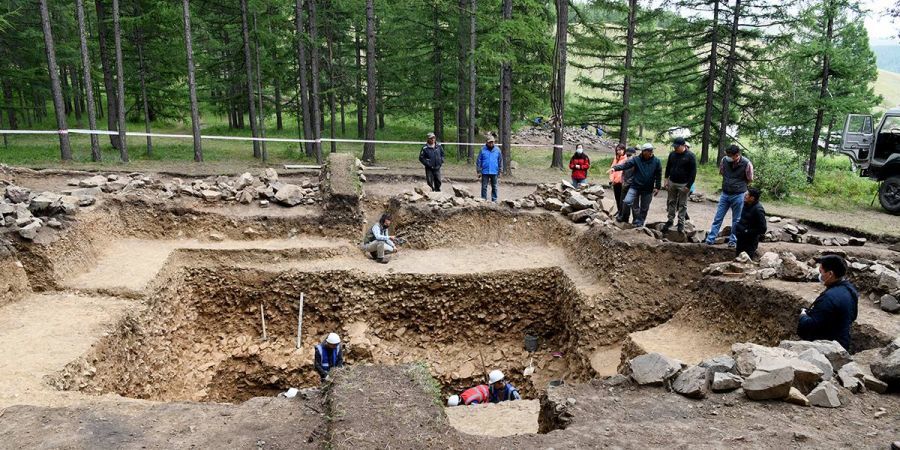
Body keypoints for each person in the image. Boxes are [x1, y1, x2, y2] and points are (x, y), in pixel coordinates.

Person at [798, 255, 859, 351]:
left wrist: (803, 316)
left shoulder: (828, 298)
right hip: (842, 344)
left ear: (830, 274)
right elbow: (853, 316)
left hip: (827, 349)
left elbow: (810, 326)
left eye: (821, 272)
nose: (819, 275)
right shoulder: (851, 290)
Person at [704, 145, 754, 247]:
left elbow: (750, 178)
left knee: (737, 219)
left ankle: (733, 241)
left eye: (730, 156)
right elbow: (722, 172)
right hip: (725, 193)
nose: (728, 157)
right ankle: (710, 239)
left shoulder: (746, 163)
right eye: (727, 155)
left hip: (739, 195)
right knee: (718, 217)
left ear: (737, 155)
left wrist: (740, 186)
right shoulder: (724, 160)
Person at [608, 143, 661, 227]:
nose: (651, 152)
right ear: (643, 152)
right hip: (635, 186)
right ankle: (625, 217)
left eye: (651, 150)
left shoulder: (656, 161)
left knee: (644, 207)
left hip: (648, 188)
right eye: (648, 151)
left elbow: (658, 174)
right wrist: (615, 168)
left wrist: (657, 187)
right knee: (627, 201)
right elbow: (626, 165)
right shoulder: (636, 159)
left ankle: (639, 222)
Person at [662, 137, 697, 233]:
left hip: (684, 184)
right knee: (671, 201)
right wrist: (666, 179)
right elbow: (668, 167)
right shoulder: (672, 154)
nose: (675, 148)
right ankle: (670, 220)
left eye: (677, 147)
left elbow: (693, 173)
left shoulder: (690, 156)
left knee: (682, 204)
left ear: (683, 146)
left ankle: (681, 222)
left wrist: (688, 186)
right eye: (674, 147)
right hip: (672, 182)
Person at [733, 188, 767, 258]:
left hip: (750, 242)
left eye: (747, 195)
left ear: (752, 198)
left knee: (746, 261)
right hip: (741, 239)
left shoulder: (758, 210)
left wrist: (747, 231)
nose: (744, 196)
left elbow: (763, 229)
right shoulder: (746, 204)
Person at [477, 137, 503, 202]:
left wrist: (500, 171)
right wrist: (479, 171)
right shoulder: (482, 149)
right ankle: (483, 199)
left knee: (494, 187)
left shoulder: (497, 150)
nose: (491, 144)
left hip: (494, 171)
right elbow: (479, 161)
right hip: (485, 171)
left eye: (492, 142)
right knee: (484, 187)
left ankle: (494, 200)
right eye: (489, 142)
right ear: (486, 142)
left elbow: (500, 161)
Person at [615, 146, 637, 222]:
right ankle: (623, 217)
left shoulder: (636, 163)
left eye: (630, 155)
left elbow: (635, 175)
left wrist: (627, 183)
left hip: (633, 186)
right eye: (627, 155)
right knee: (622, 202)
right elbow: (623, 173)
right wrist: (623, 181)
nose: (628, 157)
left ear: (634, 154)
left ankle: (635, 220)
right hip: (624, 185)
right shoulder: (626, 162)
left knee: (633, 205)